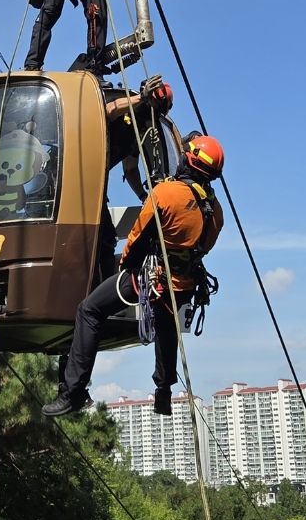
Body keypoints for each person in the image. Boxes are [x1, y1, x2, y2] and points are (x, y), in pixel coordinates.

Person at [42, 134, 225, 418]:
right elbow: (204, 246)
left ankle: (72, 392)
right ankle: (163, 393)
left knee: (89, 310)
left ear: (188, 160)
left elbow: (137, 240)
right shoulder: (216, 210)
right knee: (167, 328)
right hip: (183, 282)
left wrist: (126, 268)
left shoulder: (165, 194)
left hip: (150, 278)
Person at [95, 75, 174, 283]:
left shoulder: (140, 132)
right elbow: (108, 110)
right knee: (102, 239)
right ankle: (95, 289)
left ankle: (99, 288)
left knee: (106, 240)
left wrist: (143, 195)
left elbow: (130, 169)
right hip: (82, 178)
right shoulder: (130, 111)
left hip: (95, 187)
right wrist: (141, 98)